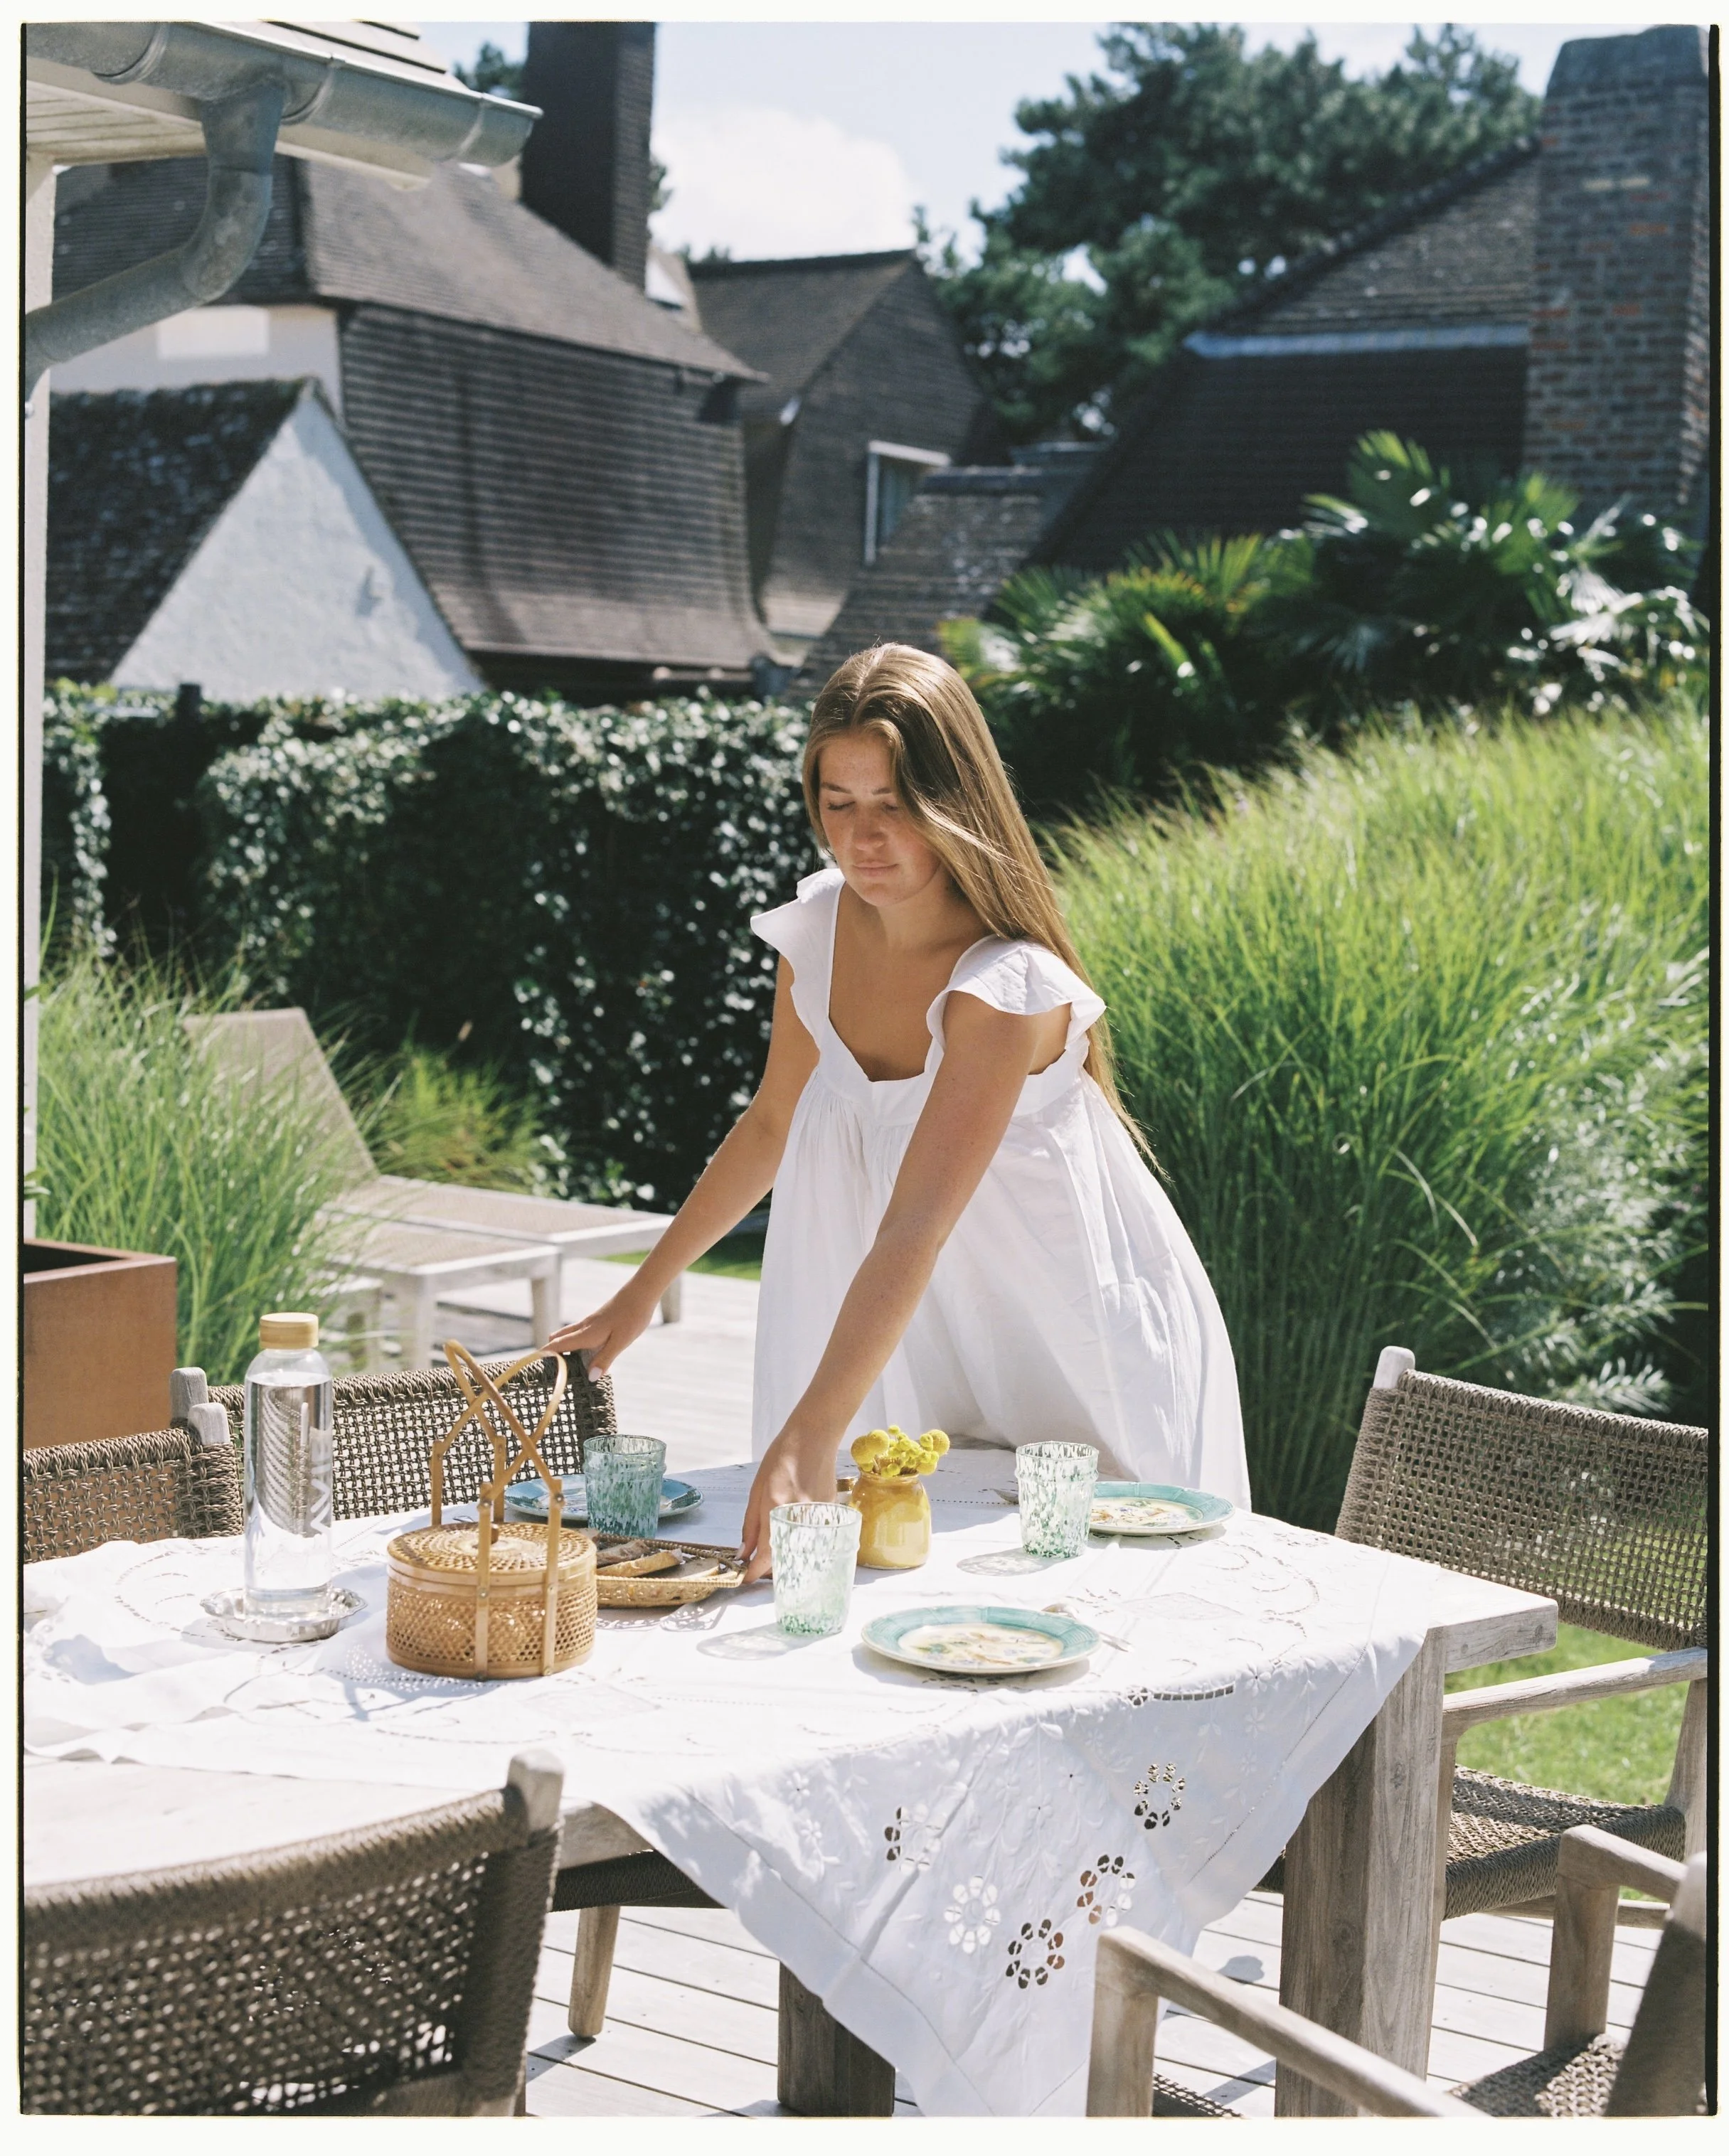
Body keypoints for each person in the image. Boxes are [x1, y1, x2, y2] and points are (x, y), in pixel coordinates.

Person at [548, 644, 1247, 1577]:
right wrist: (640, 1292)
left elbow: (916, 1220)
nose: (861, 838)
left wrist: (809, 1428)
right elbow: (771, 1124)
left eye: (893, 806)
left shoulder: (1005, 989)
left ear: (954, 801)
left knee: (1091, 1593)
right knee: (882, 1583)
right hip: (908, 1333)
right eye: (838, 804)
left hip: (1064, 1333)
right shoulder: (817, 935)